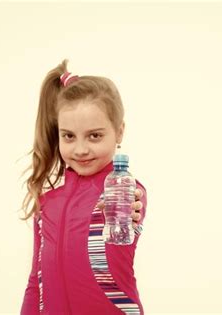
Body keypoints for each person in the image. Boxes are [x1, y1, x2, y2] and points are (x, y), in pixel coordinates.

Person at [19, 59, 147, 314]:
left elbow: (133, 208)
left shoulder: (122, 190)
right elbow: (36, 280)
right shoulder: (48, 200)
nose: (80, 149)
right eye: (68, 136)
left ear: (119, 132)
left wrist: (130, 208)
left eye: (95, 135)